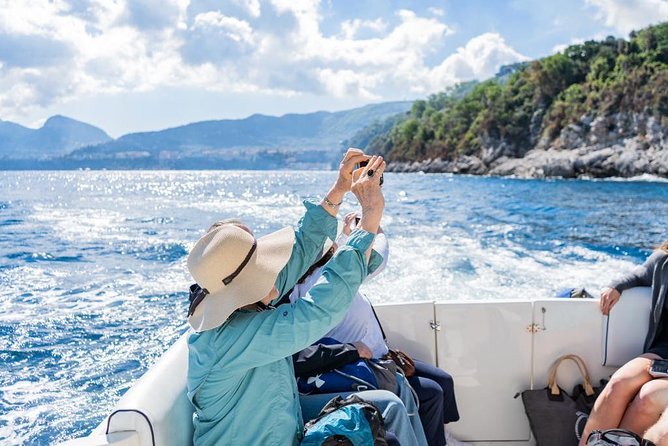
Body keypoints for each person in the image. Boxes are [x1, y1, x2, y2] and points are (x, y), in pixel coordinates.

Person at [185, 150, 400, 446]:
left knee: (386, 409)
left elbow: (300, 250)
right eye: (261, 269)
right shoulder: (232, 339)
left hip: (288, 429)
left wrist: (339, 188)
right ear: (243, 290)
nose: (272, 270)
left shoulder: (246, 307)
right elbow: (321, 309)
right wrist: (370, 217)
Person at [287, 212, 460, 446]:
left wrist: (350, 234)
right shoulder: (328, 279)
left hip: (381, 355)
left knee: (443, 381)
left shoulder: (324, 274)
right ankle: (434, 439)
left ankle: (439, 435)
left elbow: (345, 256)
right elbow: (377, 255)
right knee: (433, 392)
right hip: (364, 363)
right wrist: (373, 225)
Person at [580, 241, 668, 445]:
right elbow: (639, 274)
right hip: (663, 352)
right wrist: (616, 286)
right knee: (618, 384)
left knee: (648, 398)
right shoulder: (664, 260)